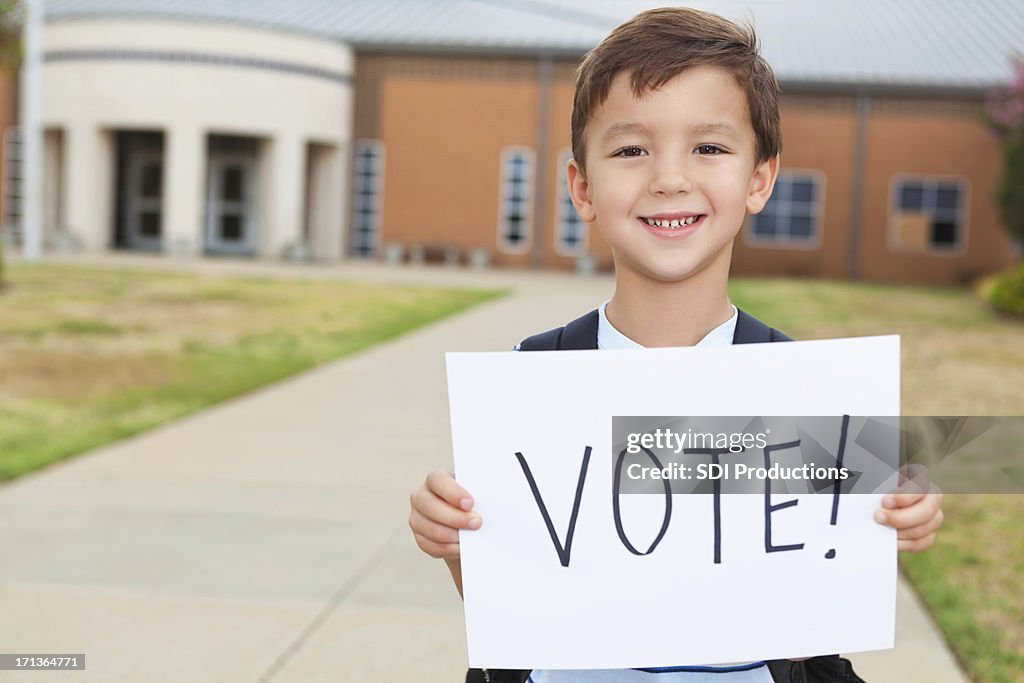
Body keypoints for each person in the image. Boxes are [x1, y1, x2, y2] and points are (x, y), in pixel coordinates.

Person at [409, 7, 944, 682]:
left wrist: (889, 526)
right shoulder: (533, 379)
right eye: (631, 149)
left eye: (710, 148)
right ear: (582, 186)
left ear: (759, 179)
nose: (669, 177)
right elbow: (521, 608)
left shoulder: (800, 389)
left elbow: (813, 619)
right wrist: (459, 545)